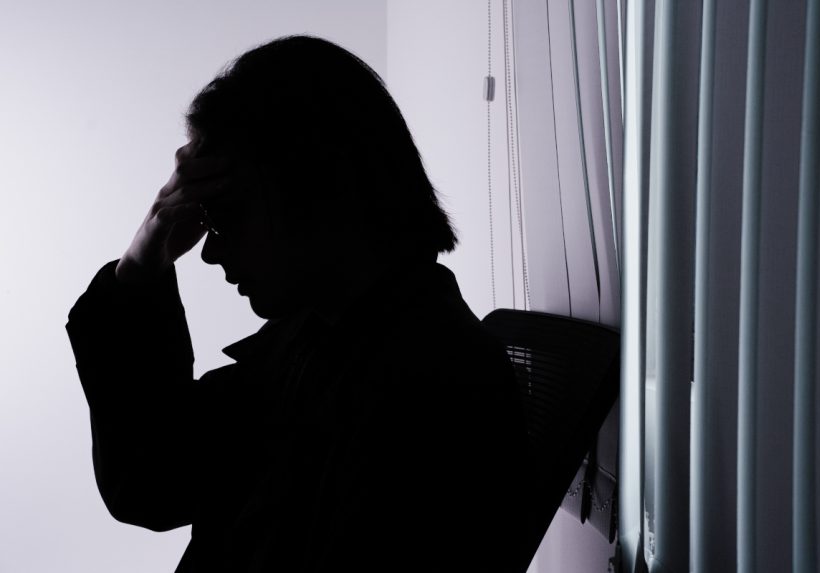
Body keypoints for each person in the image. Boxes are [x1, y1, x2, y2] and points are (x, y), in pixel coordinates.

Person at [65, 35, 531, 572]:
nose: (209, 252)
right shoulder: (319, 340)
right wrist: (140, 262)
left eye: (225, 216)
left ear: (315, 189)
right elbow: (152, 481)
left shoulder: (428, 398)